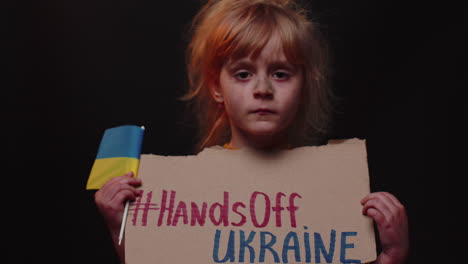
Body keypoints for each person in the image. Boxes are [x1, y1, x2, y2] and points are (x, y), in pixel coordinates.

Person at [94, 0, 409, 263]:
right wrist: (121, 228)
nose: (263, 88)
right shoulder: (192, 194)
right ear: (217, 86)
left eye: (281, 73)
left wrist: (393, 254)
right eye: (243, 73)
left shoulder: (334, 192)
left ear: (304, 86)